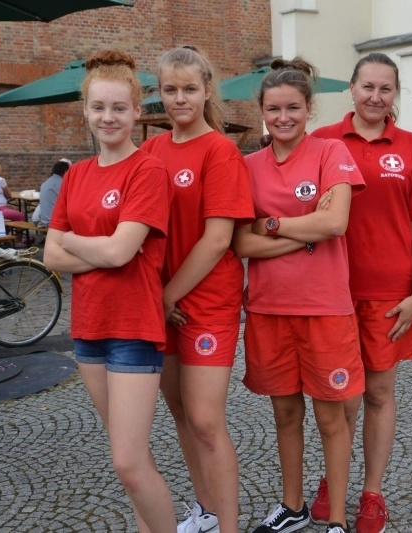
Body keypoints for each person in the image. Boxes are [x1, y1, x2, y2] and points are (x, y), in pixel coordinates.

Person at [42, 48, 176, 533]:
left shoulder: (147, 170)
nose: (108, 117)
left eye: (119, 107)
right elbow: (50, 256)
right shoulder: (76, 174)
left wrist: (75, 240)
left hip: (133, 328)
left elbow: (120, 252)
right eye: (98, 107)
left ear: (137, 110)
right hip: (89, 326)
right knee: (132, 457)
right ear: (85, 110)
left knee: (127, 462)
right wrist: (102, 247)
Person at [232, 58, 366, 533]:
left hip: (324, 307)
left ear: (309, 108)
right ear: (262, 112)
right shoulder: (247, 166)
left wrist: (271, 224)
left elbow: (335, 222)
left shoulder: (331, 151)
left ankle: (336, 518)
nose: (283, 117)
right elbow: (241, 243)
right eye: (274, 109)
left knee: (331, 418)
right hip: (268, 308)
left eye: (293, 107)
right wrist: (304, 231)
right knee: (286, 414)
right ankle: (293, 507)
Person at [310, 52, 412, 533]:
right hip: (332, 291)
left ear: (395, 94)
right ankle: (334, 480)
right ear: (351, 88)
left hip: (390, 294)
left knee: (380, 394)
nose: (375, 96)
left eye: (386, 88)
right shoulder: (323, 141)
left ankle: (372, 492)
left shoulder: (410, 147)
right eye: (368, 86)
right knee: (341, 397)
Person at [140, 45, 254, 533]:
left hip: (204, 303)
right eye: (170, 89)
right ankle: (204, 511)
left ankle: (228, 525)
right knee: (181, 412)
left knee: (206, 420)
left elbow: (217, 240)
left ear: (207, 90)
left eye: (189, 88)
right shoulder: (151, 151)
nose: (180, 98)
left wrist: (168, 295)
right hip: (159, 302)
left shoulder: (220, 151)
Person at [32, 158, 71, 229]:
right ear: (66, 171)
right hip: (54, 223)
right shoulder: (63, 184)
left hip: (43, 221)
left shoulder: (45, 183)